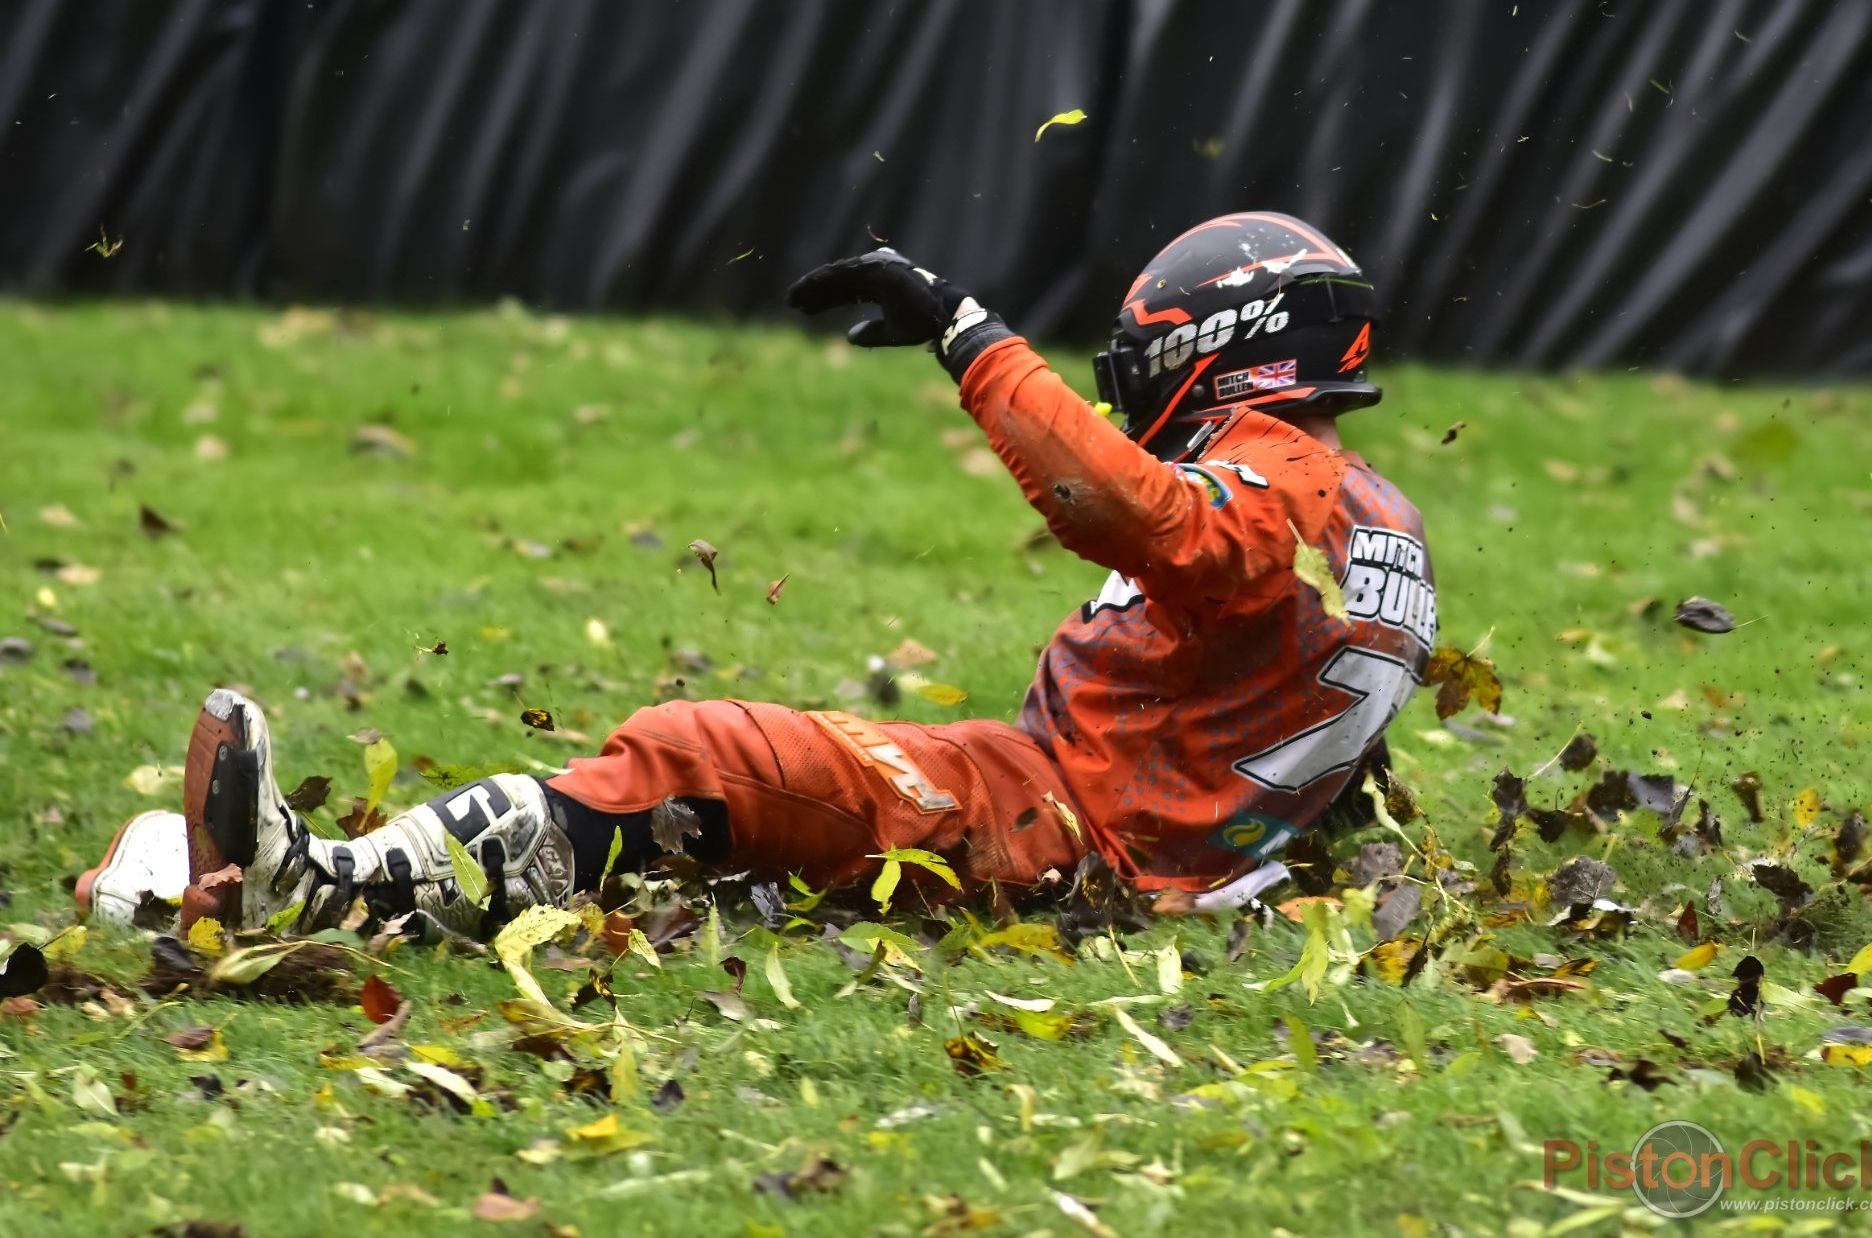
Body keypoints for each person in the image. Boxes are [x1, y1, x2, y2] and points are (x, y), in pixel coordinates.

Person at [83, 212, 1438, 935]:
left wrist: (969, 335)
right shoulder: (1383, 526)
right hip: (1117, 842)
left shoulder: (1278, 480)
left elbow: (1134, 513)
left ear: (1221, 351)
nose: (1125, 394)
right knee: (722, 831)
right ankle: (250, 891)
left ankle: (323, 886)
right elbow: (1299, 715)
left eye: (1143, 361)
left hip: (1059, 828)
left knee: (702, 757)